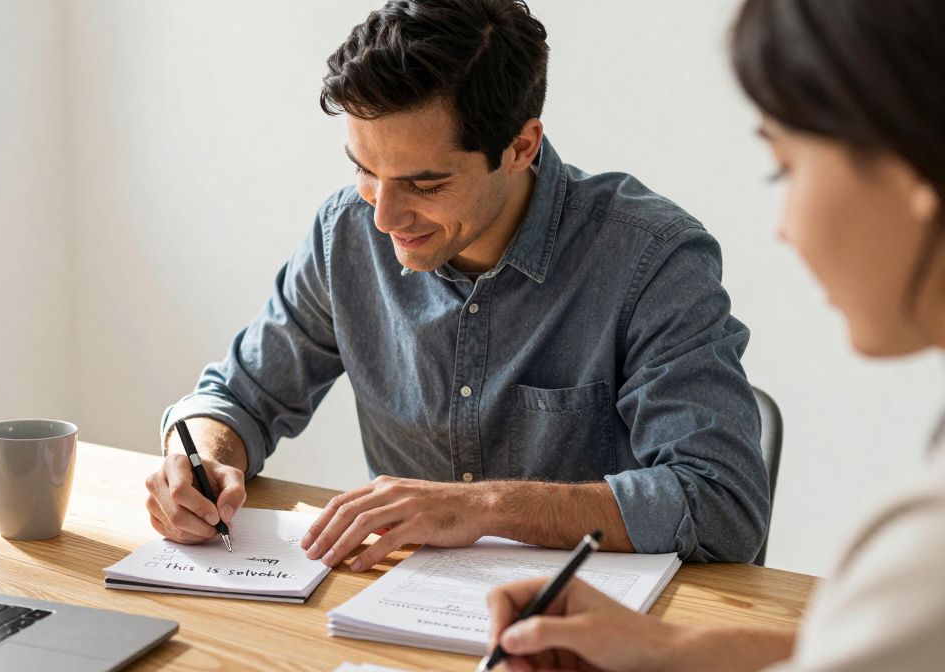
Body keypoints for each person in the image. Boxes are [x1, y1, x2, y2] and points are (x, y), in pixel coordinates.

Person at [319, 0, 945, 672]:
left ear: (911, 173)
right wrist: (670, 649)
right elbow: (882, 667)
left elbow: (727, 508)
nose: (784, 226)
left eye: (787, 169)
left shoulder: (925, 548)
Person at [146, 0, 770, 569]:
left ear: (521, 146)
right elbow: (237, 397)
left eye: (425, 184)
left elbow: (722, 502)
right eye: (365, 170)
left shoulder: (651, 257)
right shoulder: (348, 232)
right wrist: (202, 459)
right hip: (396, 616)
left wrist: (480, 507)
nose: (384, 217)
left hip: (589, 634)